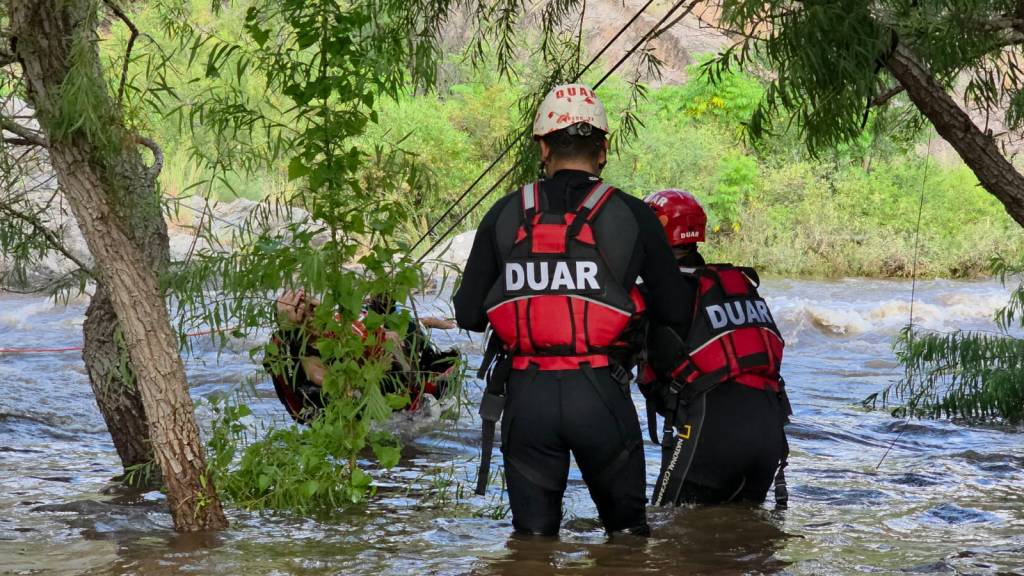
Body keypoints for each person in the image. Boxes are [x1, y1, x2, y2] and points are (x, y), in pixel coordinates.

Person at [453, 83, 689, 536]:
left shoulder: (505, 213)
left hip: (526, 401)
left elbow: (468, 315)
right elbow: (676, 310)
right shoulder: (634, 215)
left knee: (533, 546)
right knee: (627, 543)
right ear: (603, 149)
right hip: (601, 393)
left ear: (543, 147)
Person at [639, 189, 791, 508]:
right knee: (745, 540)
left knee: (666, 535)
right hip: (769, 429)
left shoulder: (656, 294)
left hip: (712, 429)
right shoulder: (736, 284)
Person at [266, 289, 460, 423]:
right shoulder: (307, 360)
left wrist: (390, 335)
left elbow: (375, 331)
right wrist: (378, 368)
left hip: (400, 372)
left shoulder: (337, 323)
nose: (313, 316)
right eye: (304, 315)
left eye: (313, 307)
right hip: (375, 393)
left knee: (407, 331)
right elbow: (341, 388)